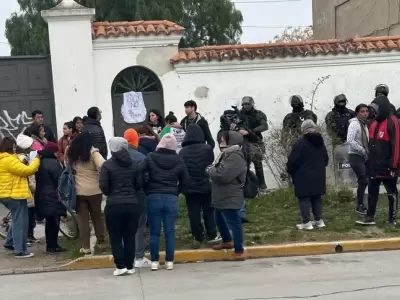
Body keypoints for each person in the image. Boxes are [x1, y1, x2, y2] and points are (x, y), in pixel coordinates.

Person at [140, 133, 188, 271]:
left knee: (154, 231)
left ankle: (154, 261)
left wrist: (145, 187)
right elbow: (186, 179)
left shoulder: (150, 157)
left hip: (153, 196)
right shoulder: (179, 160)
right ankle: (169, 261)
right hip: (171, 197)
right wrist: (177, 191)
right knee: (169, 231)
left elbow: (139, 171)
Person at [100, 137, 143, 276]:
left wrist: (112, 192)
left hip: (114, 205)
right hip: (132, 204)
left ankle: (120, 266)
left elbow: (104, 187)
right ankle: (130, 266)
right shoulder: (134, 164)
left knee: (116, 236)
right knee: (130, 236)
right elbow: (138, 185)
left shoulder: (107, 165)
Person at [357, 95, 400, 226]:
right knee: (372, 192)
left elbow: (397, 145)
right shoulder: (373, 123)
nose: (372, 112)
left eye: (375, 109)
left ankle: (392, 219)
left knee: (391, 193)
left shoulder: (393, 121)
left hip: (388, 166)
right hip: (374, 167)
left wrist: (394, 165)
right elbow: (371, 145)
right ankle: (370, 217)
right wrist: (369, 162)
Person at [207, 130, 247, 260]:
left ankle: (239, 251)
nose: (221, 142)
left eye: (224, 140)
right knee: (218, 218)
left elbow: (222, 175)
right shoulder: (226, 154)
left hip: (230, 195)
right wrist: (213, 169)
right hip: (222, 194)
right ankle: (226, 241)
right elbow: (217, 169)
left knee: (234, 222)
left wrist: (210, 170)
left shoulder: (235, 156)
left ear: (232, 141)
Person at [66, 131, 106, 254]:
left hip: (78, 192)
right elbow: (103, 165)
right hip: (95, 190)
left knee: (83, 220)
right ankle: (101, 241)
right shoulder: (93, 152)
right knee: (97, 217)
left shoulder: (71, 151)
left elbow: (66, 166)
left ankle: (85, 246)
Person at [0, 137, 40, 258]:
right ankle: (20, 251)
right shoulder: (8, 160)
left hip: (8, 194)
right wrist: (37, 159)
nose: (15, 148)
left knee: (17, 220)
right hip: (14, 195)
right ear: (8, 147)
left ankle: (10, 242)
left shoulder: (6, 158)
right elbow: (27, 171)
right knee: (21, 223)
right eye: (13, 146)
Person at [287, 120, 329, 230]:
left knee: (304, 198)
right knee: (316, 197)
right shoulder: (320, 142)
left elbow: (292, 161)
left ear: (303, 129)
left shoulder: (299, 144)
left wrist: (291, 172)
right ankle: (319, 220)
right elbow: (326, 159)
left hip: (303, 176)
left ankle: (306, 222)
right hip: (318, 175)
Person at [179, 124, 217, 245]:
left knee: (193, 212)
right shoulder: (207, 149)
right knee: (209, 211)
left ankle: (198, 235)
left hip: (190, 188)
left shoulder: (182, 152)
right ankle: (211, 233)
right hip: (206, 185)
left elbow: (182, 170)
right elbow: (211, 164)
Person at [123, 128, 150, 268]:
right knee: (139, 226)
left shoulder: (116, 158)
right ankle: (138, 257)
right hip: (138, 197)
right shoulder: (141, 158)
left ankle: (126, 256)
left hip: (121, 197)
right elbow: (146, 179)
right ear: (136, 140)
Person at [34, 142, 67, 253]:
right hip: (52, 196)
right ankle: (53, 245)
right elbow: (60, 180)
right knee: (54, 222)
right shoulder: (53, 163)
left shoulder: (39, 162)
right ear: (53, 151)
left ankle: (50, 244)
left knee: (49, 222)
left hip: (42, 195)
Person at [239, 96, 269, 191]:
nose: (246, 106)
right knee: (243, 165)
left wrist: (251, 131)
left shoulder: (258, 114)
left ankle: (262, 186)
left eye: (248, 104)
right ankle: (246, 188)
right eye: (244, 104)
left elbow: (264, 126)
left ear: (252, 104)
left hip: (255, 141)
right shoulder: (239, 114)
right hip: (243, 141)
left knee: (258, 163)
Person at [347, 104, 370, 215]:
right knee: (364, 179)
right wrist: (363, 150)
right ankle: (359, 204)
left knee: (363, 180)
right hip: (355, 155)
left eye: (366, 111)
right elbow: (350, 140)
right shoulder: (355, 124)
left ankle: (360, 204)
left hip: (364, 155)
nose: (365, 113)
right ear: (357, 113)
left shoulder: (364, 124)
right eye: (362, 111)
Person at [16, 134, 39, 244]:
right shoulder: (23, 159)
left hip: (27, 190)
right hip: (27, 191)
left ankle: (29, 235)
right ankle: (26, 237)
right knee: (27, 217)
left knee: (29, 216)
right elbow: (27, 174)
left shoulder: (22, 157)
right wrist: (33, 187)